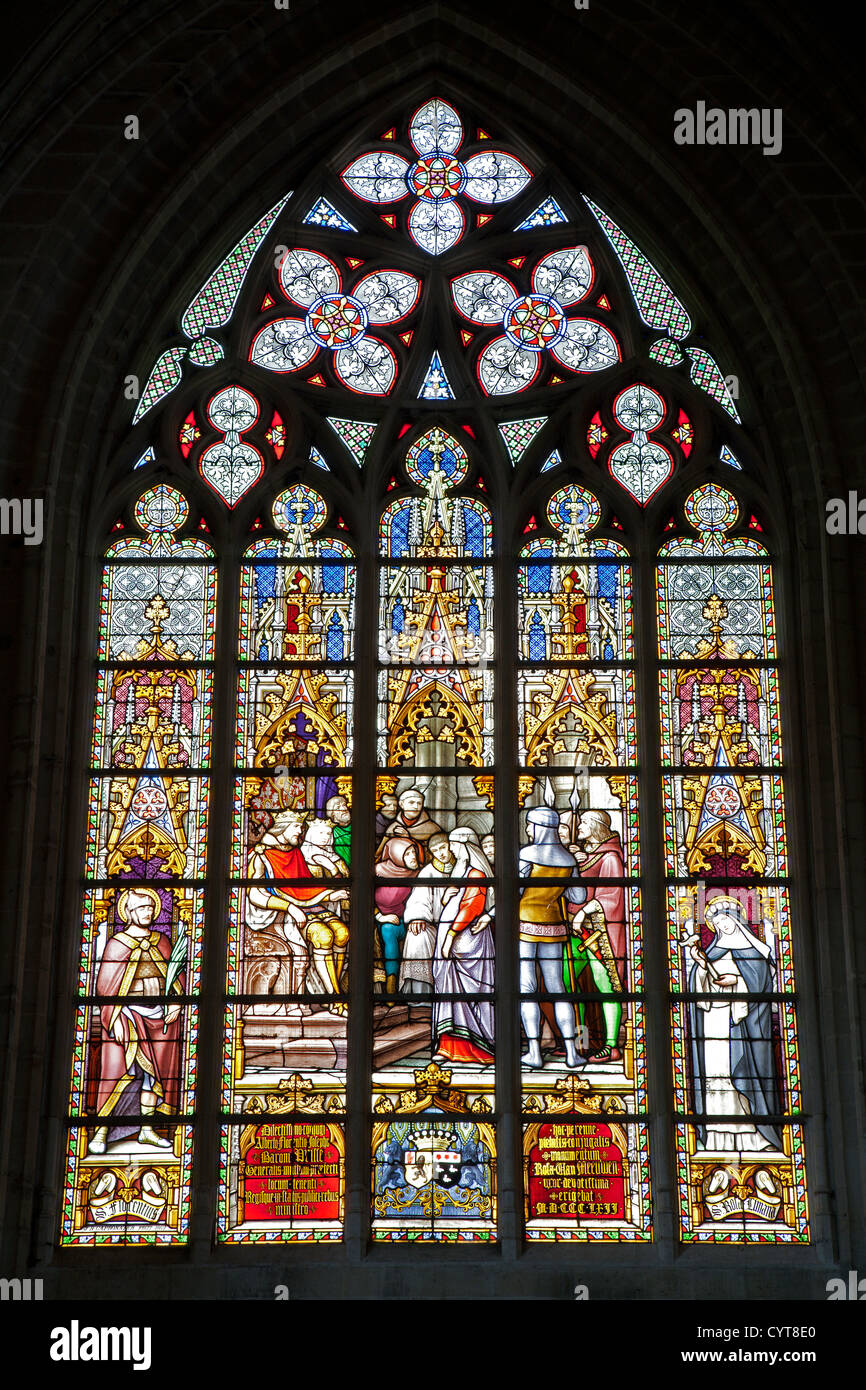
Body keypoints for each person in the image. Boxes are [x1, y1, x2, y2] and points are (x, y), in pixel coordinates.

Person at [88, 886, 184, 1155]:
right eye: (141, 908)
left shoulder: (161, 941)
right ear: (128, 912)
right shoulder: (117, 944)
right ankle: (102, 1130)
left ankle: (146, 1128)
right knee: (119, 1071)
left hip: (159, 1016)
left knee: (151, 1077)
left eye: (151, 907)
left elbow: (175, 978)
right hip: (126, 1014)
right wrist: (114, 1017)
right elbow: (106, 988)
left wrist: (176, 1000)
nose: (148, 912)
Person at [686, 896, 782, 1153]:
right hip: (713, 1023)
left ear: (736, 920)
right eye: (717, 923)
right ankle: (717, 1138)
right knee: (717, 1078)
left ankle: (755, 1136)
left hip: (740, 1024)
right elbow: (698, 990)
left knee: (739, 1075)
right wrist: (701, 965)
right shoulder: (714, 950)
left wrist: (737, 982)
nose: (723, 926)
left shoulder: (755, 953)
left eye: (726, 920)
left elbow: (761, 986)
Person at [519, 806, 587, 1070]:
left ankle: (534, 1052)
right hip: (554, 927)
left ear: (539, 827)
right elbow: (578, 897)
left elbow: (517, 890)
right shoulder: (568, 859)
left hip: (524, 925)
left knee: (526, 990)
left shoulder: (527, 854)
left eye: (529, 826)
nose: (527, 830)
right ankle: (572, 1052)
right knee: (558, 989)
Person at [432, 828, 495, 1065]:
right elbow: (459, 901)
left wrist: (450, 935)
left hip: (468, 942)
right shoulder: (463, 871)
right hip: (457, 938)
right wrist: (447, 898)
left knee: (468, 992)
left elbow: (472, 907)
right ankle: (449, 1046)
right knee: (449, 990)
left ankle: (476, 1047)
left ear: (466, 846)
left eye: (454, 845)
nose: (451, 849)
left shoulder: (477, 873)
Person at [400, 832, 455, 995]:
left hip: (459, 926)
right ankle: (421, 995)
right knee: (417, 936)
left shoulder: (462, 868)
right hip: (434, 927)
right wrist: (418, 916)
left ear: (450, 846)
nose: (442, 853)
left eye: (444, 848)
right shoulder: (428, 873)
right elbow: (419, 899)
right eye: (436, 850)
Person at [375, 837, 421, 993]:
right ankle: (391, 980)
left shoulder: (417, 874)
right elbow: (362, 897)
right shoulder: (378, 872)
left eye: (413, 852)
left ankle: (412, 986)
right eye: (407, 854)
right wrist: (379, 916)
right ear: (396, 855)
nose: (413, 856)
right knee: (388, 929)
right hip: (382, 921)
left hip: (407, 921)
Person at [325, 794, 352, 868]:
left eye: (344, 805)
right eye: (338, 807)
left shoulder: (357, 826)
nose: (344, 809)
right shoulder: (331, 832)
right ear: (332, 814)